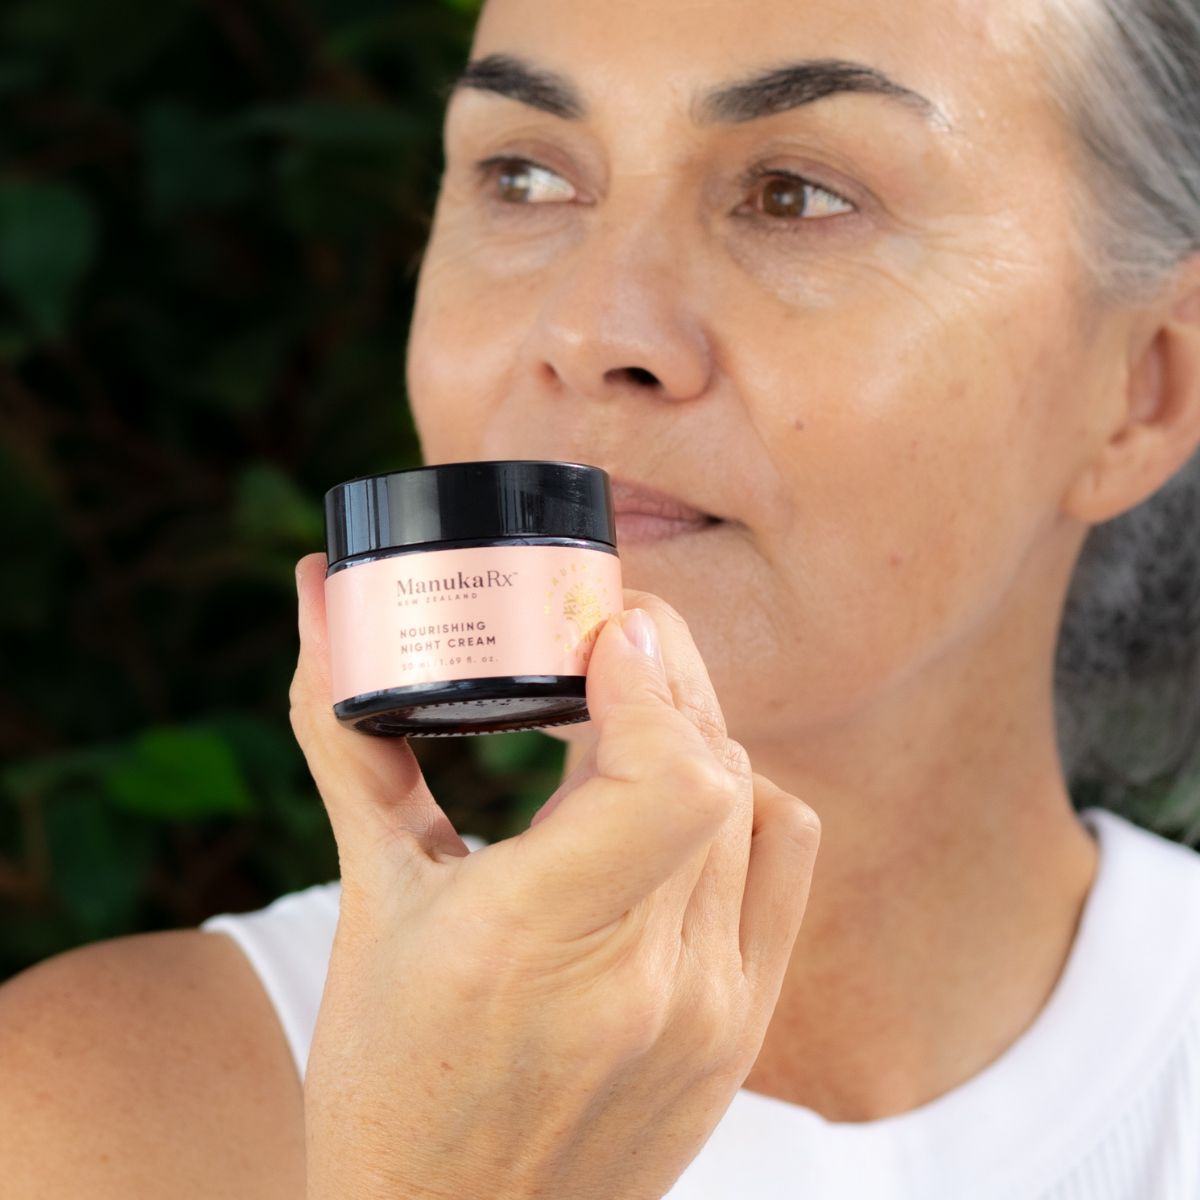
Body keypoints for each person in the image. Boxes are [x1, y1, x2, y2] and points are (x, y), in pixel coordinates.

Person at [2, 0, 1199, 1196]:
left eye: (797, 194)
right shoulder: (80, 1121)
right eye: (522, 176)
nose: (589, 328)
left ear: (1143, 387)